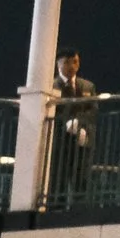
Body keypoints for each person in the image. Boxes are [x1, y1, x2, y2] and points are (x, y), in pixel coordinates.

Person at [49, 49, 101, 201]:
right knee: (58, 180)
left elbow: (94, 111)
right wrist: (67, 123)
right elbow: (51, 111)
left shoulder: (87, 86)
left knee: (82, 179)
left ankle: (78, 212)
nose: (72, 66)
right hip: (59, 142)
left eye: (75, 62)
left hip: (82, 141)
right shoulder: (51, 86)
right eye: (67, 62)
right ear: (58, 65)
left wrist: (80, 122)